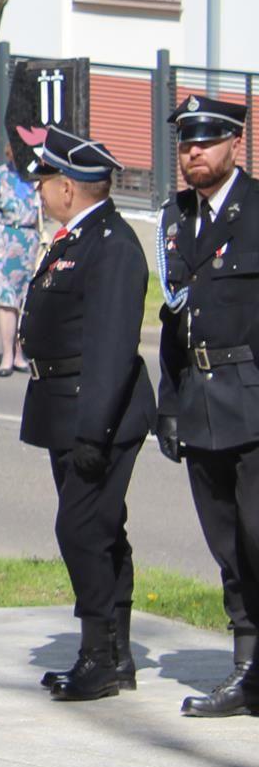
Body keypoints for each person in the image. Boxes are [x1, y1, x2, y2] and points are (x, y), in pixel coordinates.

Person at [18, 126, 153, 703]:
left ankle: (98, 653)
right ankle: (115, 654)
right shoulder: (76, 237)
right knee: (100, 529)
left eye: (45, 180)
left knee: (79, 529)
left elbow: (110, 347)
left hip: (95, 416)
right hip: (62, 409)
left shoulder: (113, 246)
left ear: (69, 187)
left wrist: (93, 433)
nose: (40, 191)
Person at [155, 95, 259, 718]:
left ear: (235, 145)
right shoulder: (174, 217)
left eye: (206, 141)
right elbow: (172, 321)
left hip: (252, 401)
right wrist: (169, 404)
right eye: (185, 142)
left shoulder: (258, 212)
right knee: (227, 545)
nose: (193, 152)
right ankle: (247, 672)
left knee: (258, 540)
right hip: (200, 402)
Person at [0, 141, 42, 377]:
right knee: (7, 301)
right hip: (2, 242)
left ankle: (19, 353)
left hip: (29, 242)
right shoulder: (1, 176)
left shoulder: (37, 177)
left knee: (25, 302)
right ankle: (6, 356)